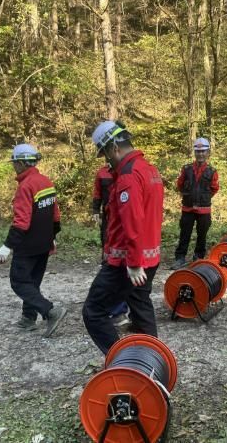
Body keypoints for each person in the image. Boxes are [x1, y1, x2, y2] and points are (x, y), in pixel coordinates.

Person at [83, 121, 164, 354]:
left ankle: (121, 361)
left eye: (106, 155)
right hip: (150, 257)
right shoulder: (150, 170)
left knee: (93, 311)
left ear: (114, 148)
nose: (107, 161)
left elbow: (133, 222)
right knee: (140, 307)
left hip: (127, 263)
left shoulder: (128, 176)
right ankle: (152, 359)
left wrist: (134, 263)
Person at [0, 144, 67, 338]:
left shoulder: (25, 186)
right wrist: (52, 237)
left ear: (21, 163)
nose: (13, 166)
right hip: (44, 243)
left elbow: (21, 222)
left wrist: (7, 246)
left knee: (19, 281)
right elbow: (55, 214)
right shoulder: (46, 181)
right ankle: (28, 318)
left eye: (14, 163)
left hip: (27, 246)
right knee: (32, 281)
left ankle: (51, 311)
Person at [170, 138, 220, 270]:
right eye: (198, 151)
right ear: (194, 152)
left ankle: (198, 257)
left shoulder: (212, 171)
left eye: (203, 151)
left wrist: (203, 197)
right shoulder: (186, 169)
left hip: (204, 209)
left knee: (202, 235)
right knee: (184, 234)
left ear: (208, 152)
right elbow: (180, 184)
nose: (200, 154)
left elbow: (214, 188)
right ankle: (180, 258)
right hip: (187, 208)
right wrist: (189, 196)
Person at [91, 163, 130, 327]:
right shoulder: (102, 173)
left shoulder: (129, 171)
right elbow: (97, 193)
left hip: (124, 219)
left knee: (119, 264)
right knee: (109, 260)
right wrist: (95, 211)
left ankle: (120, 310)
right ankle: (114, 306)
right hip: (109, 219)